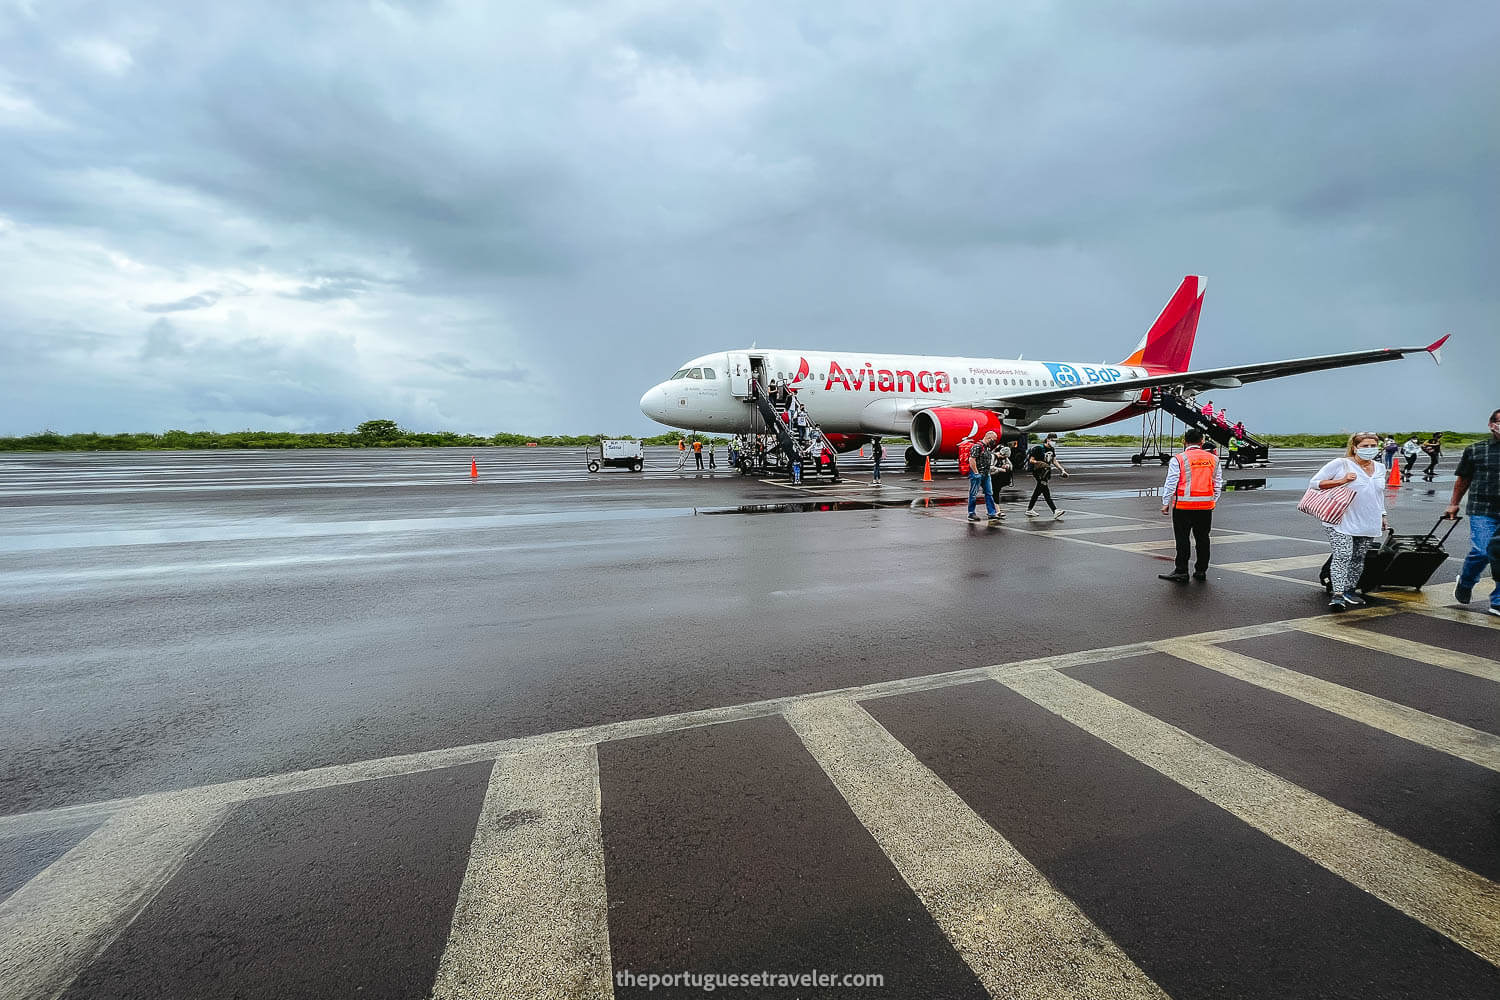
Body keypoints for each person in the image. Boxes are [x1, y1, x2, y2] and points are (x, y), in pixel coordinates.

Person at [1311, 432, 1389, 610]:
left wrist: (1383, 515)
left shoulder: (1380, 467)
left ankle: (1349, 590)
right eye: (1364, 446)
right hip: (1340, 520)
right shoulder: (1341, 464)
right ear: (1355, 448)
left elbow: (1378, 494)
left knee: (1358, 557)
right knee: (1343, 555)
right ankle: (1337, 595)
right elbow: (1315, 483)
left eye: (1373, 446)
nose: (1369, 450)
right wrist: (1341, 481)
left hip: (1369, 519)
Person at [1445, 408, 1500, 616]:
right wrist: (1453, 503)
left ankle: (1498, 601)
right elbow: (1463, 479)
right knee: (1482, 551)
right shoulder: (1476, 450)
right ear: (1491, 425)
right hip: (1482, 509)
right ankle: (1466, 582)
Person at [1157, 427, 1222, 582]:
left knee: (1182, 539)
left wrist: (1166, 502)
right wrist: (1213, 501)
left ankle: (1181, 571)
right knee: (1203, 539)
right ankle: (1201, 571)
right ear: (1202, 442)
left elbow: (1171, 482)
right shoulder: (1213, 459)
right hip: (1205, 507)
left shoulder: (1179, 459)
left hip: (1183, 506)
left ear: (1184, 442)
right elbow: (1217, 484)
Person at [967, 432, 1003, 522]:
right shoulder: (977, 446)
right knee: (973, 494)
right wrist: (976, 472)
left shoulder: (986, 447)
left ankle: (991, 513)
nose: (994, 442)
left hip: (986, 474)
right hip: (978, 474)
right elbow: (971, 459)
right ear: (988, 438)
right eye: (993, 440)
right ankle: (971, 513)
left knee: (989, 493)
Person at [1024, 440, 1064, 519]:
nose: (1054, 442)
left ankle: (1029, 509)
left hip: (1046, 472)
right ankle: (1055, 510)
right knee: (1045, 491)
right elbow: (1031, 460)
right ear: (1048, 440)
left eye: (1055, 441)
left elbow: (1054, 461)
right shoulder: (1039, 448)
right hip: (1039, 472)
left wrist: (1062, 469)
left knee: (1038, 491)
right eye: (1053, 440)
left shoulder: (1052, 449)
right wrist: (1038, 463)